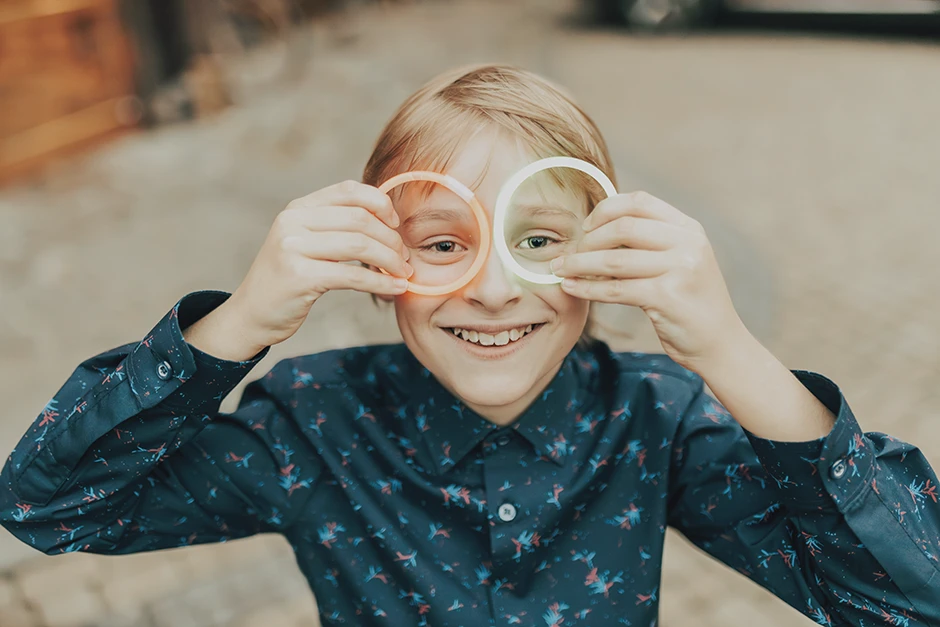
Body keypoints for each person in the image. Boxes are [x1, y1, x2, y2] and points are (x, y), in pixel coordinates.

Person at [2, 64, 938, 626]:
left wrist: (733, 352)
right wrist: (243, 317)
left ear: (605, 253)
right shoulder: (311, 423)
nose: (493, 286)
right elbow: (50, 503)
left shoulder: (659, 417)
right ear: (376, 260)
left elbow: (908, 601)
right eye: (444, 242)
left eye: (538, 239)